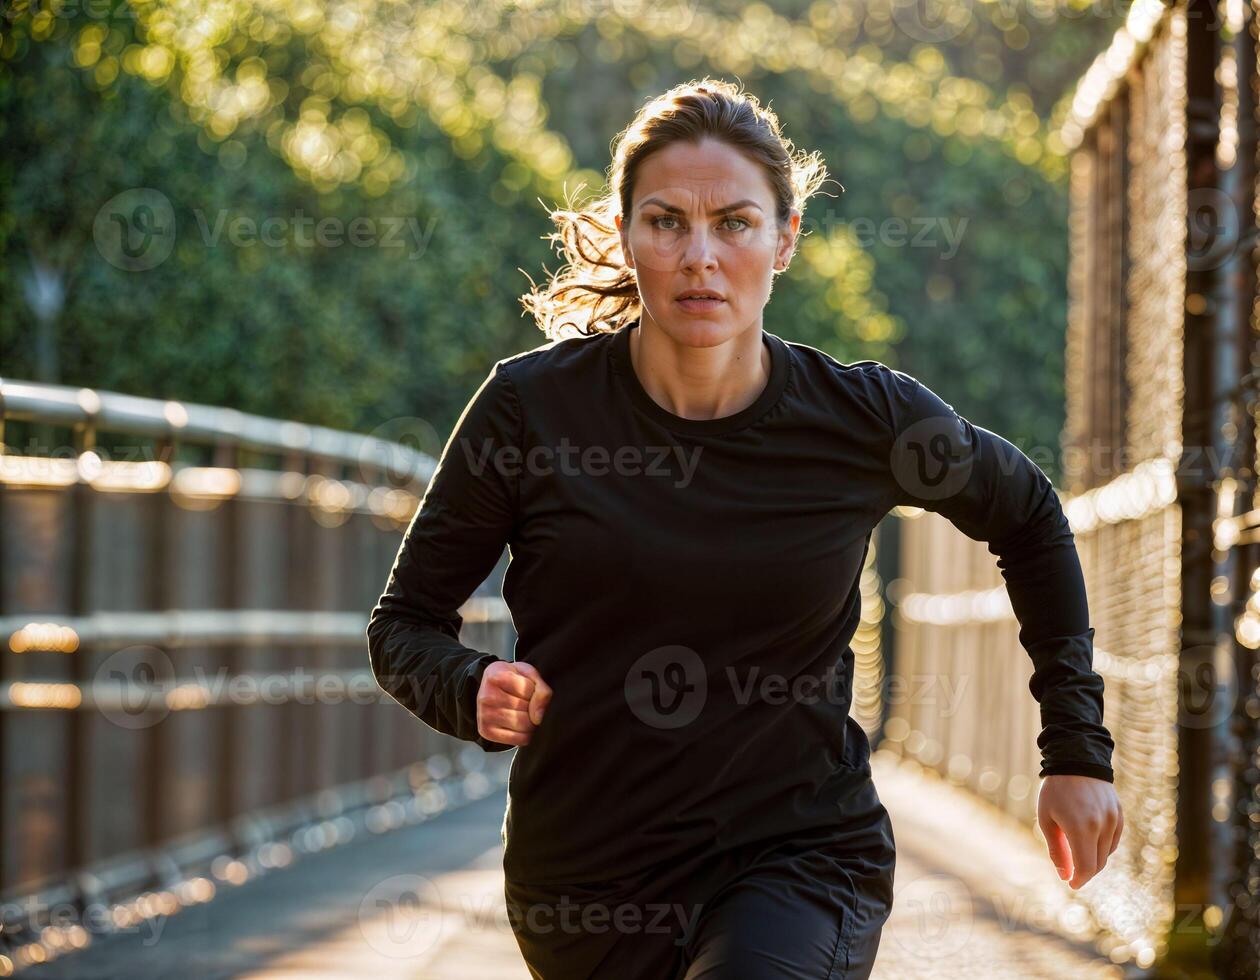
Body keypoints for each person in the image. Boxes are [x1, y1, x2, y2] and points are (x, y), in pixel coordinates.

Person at [366, 77, 1123, 979]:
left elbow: (1031, 516)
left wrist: (1075, 750)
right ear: (624, 234)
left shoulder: (861, 417)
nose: (699, 256)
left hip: (799, 857)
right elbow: (403, 626)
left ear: (784, 240)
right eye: (665, 223)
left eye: (734, 223)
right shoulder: (531, 409)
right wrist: (472, 686)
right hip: (588, 875)